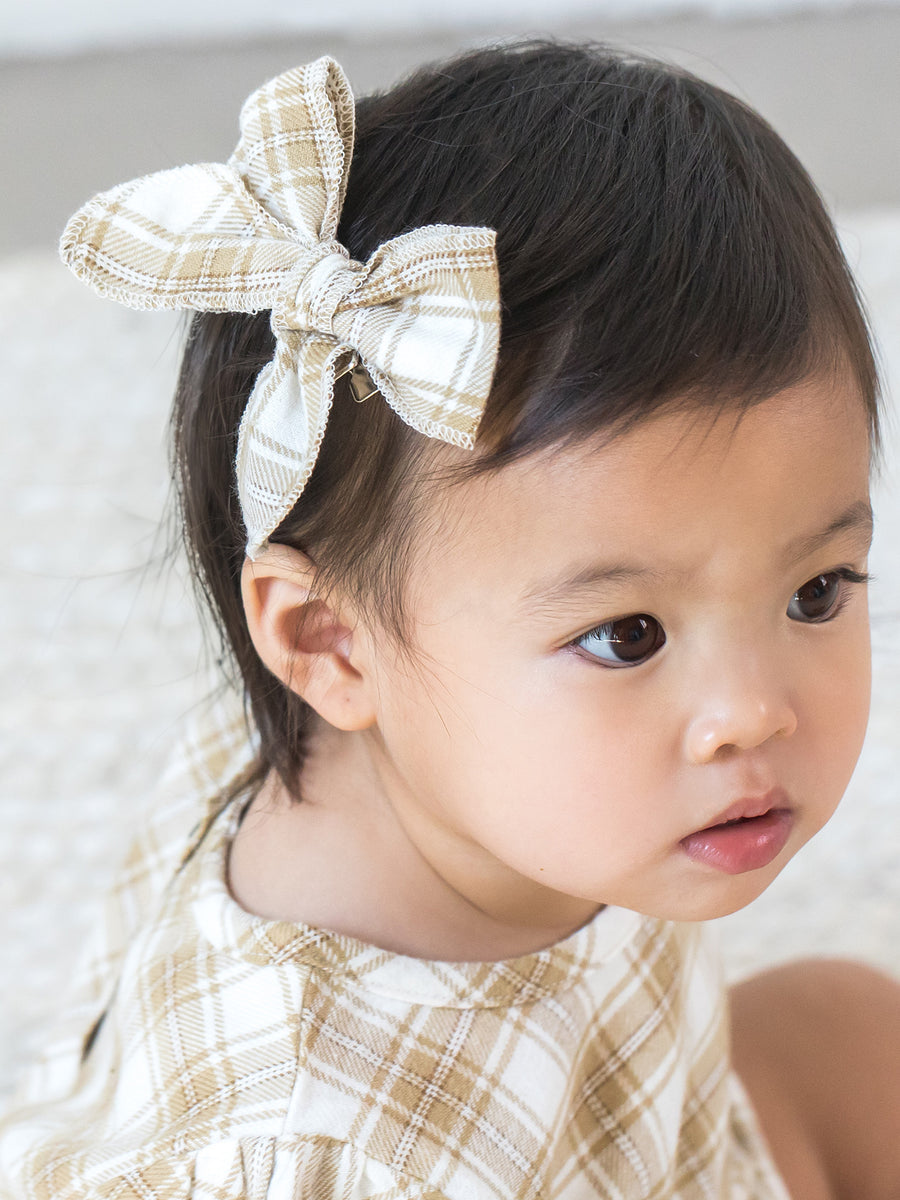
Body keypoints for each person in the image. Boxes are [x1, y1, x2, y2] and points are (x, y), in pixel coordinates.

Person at [1, 40, 898, 1200]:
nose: (751, 714)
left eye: (814, 590)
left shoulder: (501, 774)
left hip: (656, 1132)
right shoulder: (313, 1156)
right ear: (328, 644)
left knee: (849, 1023)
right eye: (629, 635)